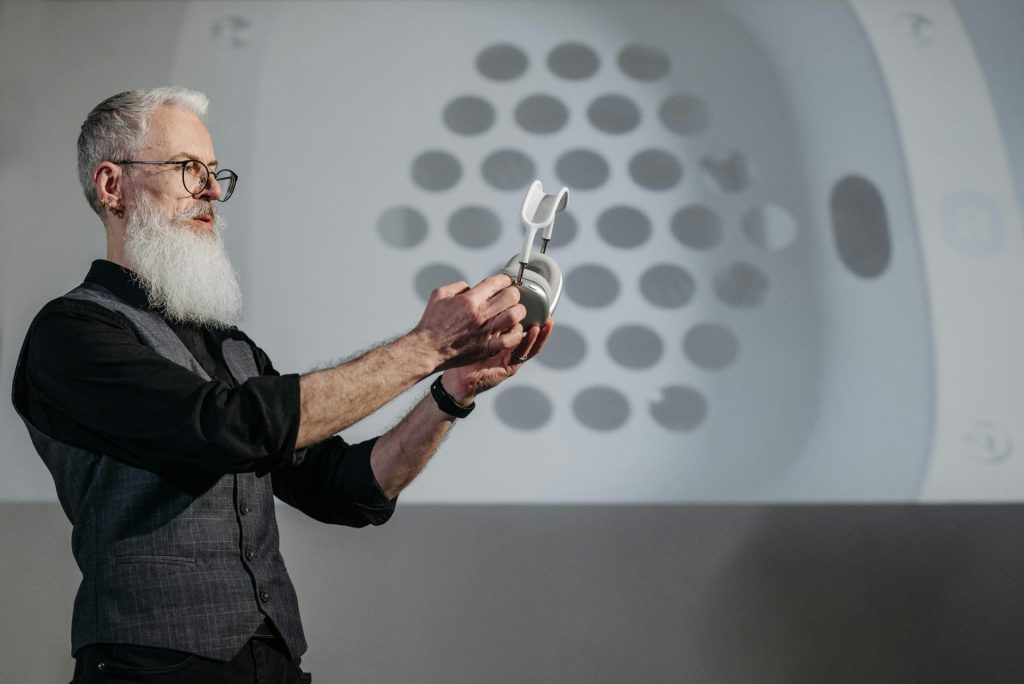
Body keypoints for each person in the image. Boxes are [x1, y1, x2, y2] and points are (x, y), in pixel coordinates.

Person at [11, 87, 553, 683]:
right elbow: (220, 429)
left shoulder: (232, 348)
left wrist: (452, 391)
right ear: (112, 186)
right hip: (148, 668)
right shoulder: (70, 333)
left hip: (272, 666)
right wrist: (425, 346)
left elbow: (346, 490)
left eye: (216, 174)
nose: (213, 192)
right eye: (189, 170)